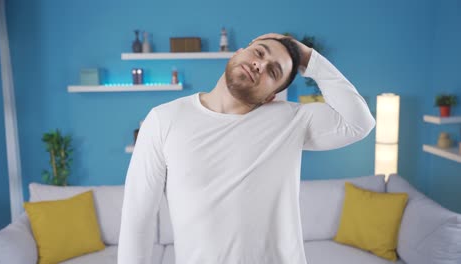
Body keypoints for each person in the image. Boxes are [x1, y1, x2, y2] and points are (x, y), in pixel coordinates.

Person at [118, 33, 376, 264]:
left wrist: (309, 58)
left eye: (273, 72)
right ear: (238, 52)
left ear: (270, 96)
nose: (260, 65)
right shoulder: (164, 119)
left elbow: (359, 123)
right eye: (259, 53)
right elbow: (137, 216)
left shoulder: (290, 120)